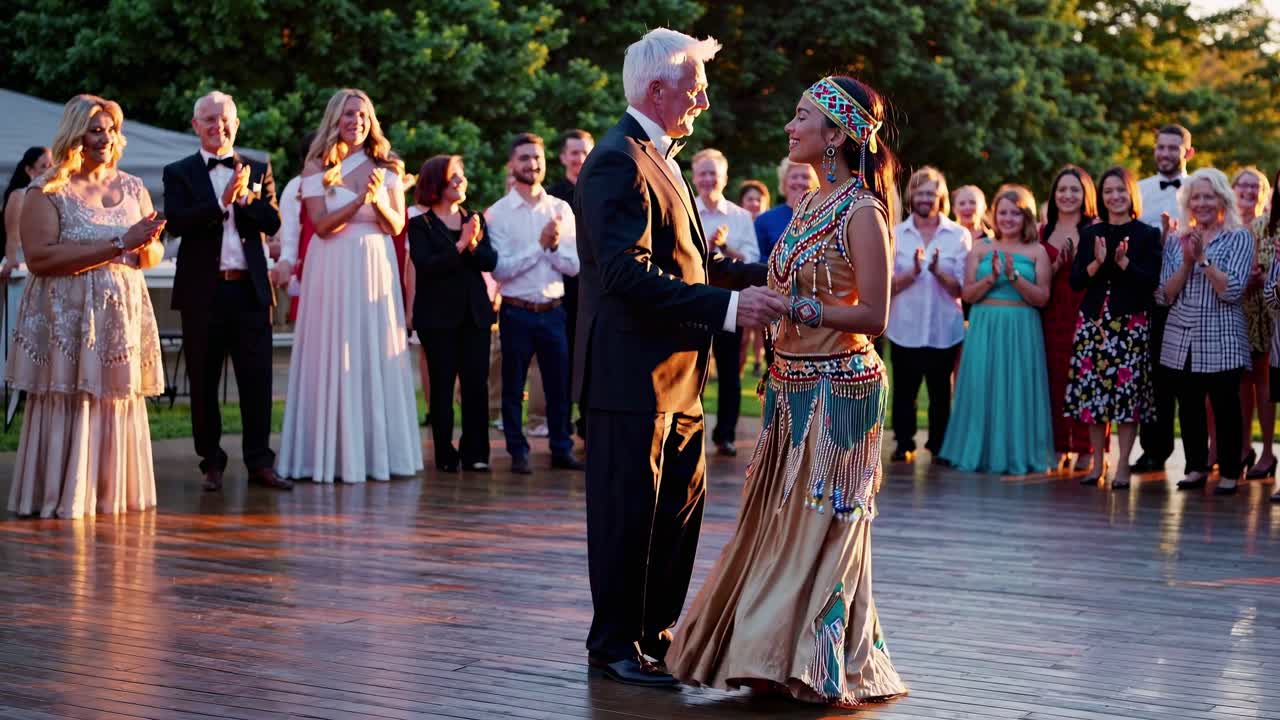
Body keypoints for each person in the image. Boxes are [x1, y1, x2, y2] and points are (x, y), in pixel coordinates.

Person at [669, 74, 907, 708]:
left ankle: (815, 661)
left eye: (801, 117)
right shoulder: (807, 206)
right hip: (788, 386)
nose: (789, 127)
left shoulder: (862, 209)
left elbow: (875, 316)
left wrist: (797, 309)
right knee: (778, 525)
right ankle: (770, 655)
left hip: (839, 392)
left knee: (822, 528)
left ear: (835, 134)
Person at [574, 28, 785, 687]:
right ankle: (613, 647)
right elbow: (624, 275)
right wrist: (729, 311)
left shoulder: (660, 157)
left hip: (678, 380)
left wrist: (769, 273)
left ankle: (654, 637)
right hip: (630, 379)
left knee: (675, 518)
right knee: (627, 518)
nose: (704, 95)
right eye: (695, 83)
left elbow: (692, 262)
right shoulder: (618, 161)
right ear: (657, 89)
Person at [7, 94, 166, 518]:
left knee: (113, 398)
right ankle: (64, 493)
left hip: (119, 316)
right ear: (75, 134)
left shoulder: (133, 187)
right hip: (69, 316)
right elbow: (40, 258)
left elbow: (150, 255)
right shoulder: (46, 191)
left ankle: (112, 491)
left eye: (111, 129)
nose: (105, 138)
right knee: (72, 396)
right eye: (96, 129)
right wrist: (118, 244)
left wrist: (145, 247)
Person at [276, 88, 424, 483]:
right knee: (332, 351)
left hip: (375, 262)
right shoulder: (316, 166)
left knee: (371, 350)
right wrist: (359, 199)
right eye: (347, 115)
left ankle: (378, 453)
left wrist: (376, 200)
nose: (355, 121)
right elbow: (322, 226)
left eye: (362, 114)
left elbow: (395, 226)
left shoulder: (387, 166)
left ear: (370, 120)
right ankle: (325, 455)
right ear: (334, 120)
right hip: (332, 265)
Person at [163, 91, 291, 493]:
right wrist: (221, 202)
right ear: (195, 125)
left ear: (236, 124)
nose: (218, 126)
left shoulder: (258, 166)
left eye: (225, 119)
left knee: (257, 381)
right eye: (209, 119)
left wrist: (245, 196)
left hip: (250, 290)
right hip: (203, 293)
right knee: (202, 381)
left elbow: (271, 221)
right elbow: (178, 223)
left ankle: (259, 462)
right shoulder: (179, 171)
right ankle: (211, 462)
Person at [939, 186, 1054, 474]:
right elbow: (967, 294)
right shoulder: (980, 248)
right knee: (981, 387)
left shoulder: (1037, 251)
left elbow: (1042, 297)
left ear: (1025, 216)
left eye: (1015, 213)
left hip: (1022, 327)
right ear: (994, 214)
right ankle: (979, 451)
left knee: (1017, 390)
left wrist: (1014, 278)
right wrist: (991, 278)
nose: (1008, 218)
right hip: (985, 325)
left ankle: (1017, 454)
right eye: (1003, 212)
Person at [487, 132, 583, 473]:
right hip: (516, 310)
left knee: (559, 387)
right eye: (525, 158)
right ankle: (518, 452)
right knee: (513, 387)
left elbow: (574, 266)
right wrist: (542, 246)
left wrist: (555, 247)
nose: (533, 164)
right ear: (512, 164)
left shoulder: (560, 209)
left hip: (554, 310)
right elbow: (501, 270)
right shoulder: (498, 214)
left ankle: (561, 448)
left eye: (538, 158)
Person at [1158, 168, 1253, 495]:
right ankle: (1196, 466)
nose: (1201, 203)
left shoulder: (1239, 236)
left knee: (1227, 407)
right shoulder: (1176, 240)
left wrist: (1202, 260)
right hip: (1180, 337)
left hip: (1222, 337)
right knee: (1189, 407)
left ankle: (1229, 471)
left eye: (1208, 196)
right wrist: (1186, 261)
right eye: (1195, 197)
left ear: (1222, 199)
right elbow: (1165, 295)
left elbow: (1234, 290)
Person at [1065, 167, 1161, 489]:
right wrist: (1097, 262)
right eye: (1108, 191)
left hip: (1129, 325)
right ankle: (1096, 463)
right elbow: (1076, 280)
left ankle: (1122, 465)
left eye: (1120, 190)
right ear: (1101, 197)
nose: (1114, 196)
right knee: (1094, 399)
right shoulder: (1091, 234)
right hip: (1093, 324)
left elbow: (1150, 282)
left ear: (1130, 193)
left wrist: (1123, 264)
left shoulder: (1147, 235)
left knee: (1125, 401)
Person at [405, 155, 497, 472]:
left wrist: (472, 244)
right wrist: (460, 244)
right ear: (436, 184)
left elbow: (489, 260)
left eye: (462, 176)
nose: (461, 182)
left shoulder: (474, 219)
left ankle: (476, 453)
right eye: (453, 177)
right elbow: (427, 266)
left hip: (475, 316)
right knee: (442, 387)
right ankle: (444, 452)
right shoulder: (420, 224)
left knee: (475, 386)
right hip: (438, 317)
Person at [887, 166, 969, 463]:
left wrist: (936, 271)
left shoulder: (958, 236)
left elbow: (962, 289)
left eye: (930, 193)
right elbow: (885, 287)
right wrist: (912, 274)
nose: (924, 198)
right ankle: (903, 442)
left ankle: (939, 446)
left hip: (943, 328)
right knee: (904, 391)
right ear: (911, 195)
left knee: (939, 393)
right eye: (919, 192)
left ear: (941, 197)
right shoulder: (895, 234)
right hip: (904, 326)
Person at [1131, 124, 1194, 473]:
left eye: (1174, 148)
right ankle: (1154, 449)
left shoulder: (1200, 189)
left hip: (1192, 293)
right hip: (1149, 293)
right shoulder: (1139, 190)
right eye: (1161, 147)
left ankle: (1200, 455)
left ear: (1188, 152)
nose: (1166, 154)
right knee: (1153, 374)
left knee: (1189, 377)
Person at [692, 148, 760, 456]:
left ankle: (726, 435)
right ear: (694, 177)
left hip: (729, 303)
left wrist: (723, 247)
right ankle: (689, 432)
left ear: (725, 178)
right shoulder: (684, 210)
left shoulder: (740, 216)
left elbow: (753, 260)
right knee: (692, 372)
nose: (708, 179)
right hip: (691, 302)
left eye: (713, 173)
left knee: (730, 373)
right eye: (703, 173)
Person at [1040, 165, 1099, 472]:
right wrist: (1058, 262)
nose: (1067, 195)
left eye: (1075, 189)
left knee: (1086, 380)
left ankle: (1087, 447)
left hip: (1087, 312)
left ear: (1086, 194)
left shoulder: (1097, 229)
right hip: (1051, 315)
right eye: (1062, 189)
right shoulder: (1043, 231)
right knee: (1055, 380)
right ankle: (1060, 445)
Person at [547, 129, 594, 439]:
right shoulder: (552, 197)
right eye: (574, 152)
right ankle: (560, 431)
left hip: (595, 289)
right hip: (562, 288)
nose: (580, 158)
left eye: (585, 152)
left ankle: (588, 426)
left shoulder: (601, 188)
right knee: (562, 363)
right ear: (564, 157)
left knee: (592, 361)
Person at [1234, 167, 1276, 479]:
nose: (1248, 192)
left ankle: (1266, 452)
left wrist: (1265, 277)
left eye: (1255, 186)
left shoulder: (1267, 224)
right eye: (1242, 185)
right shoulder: (1242, 226)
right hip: (1239, 308)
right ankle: (1243, 446)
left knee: (1264, 382)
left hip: (1268, 311)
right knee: (1239, 382)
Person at [2, 146, 53, 280]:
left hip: (51, 266)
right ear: (29, 170)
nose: (49, 171)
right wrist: (11, 260)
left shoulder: (60, 195)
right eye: (44, 166)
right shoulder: (19, 196)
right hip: (23, 267)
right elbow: (12, 236)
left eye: (52, 165)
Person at [754, 157, 819, 260]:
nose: (799, 181)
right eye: (794, 177)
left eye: (805, 177)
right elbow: (756, 259)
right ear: (783, 183)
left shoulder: (825, 216)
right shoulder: (764, 220)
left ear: (815, 183)